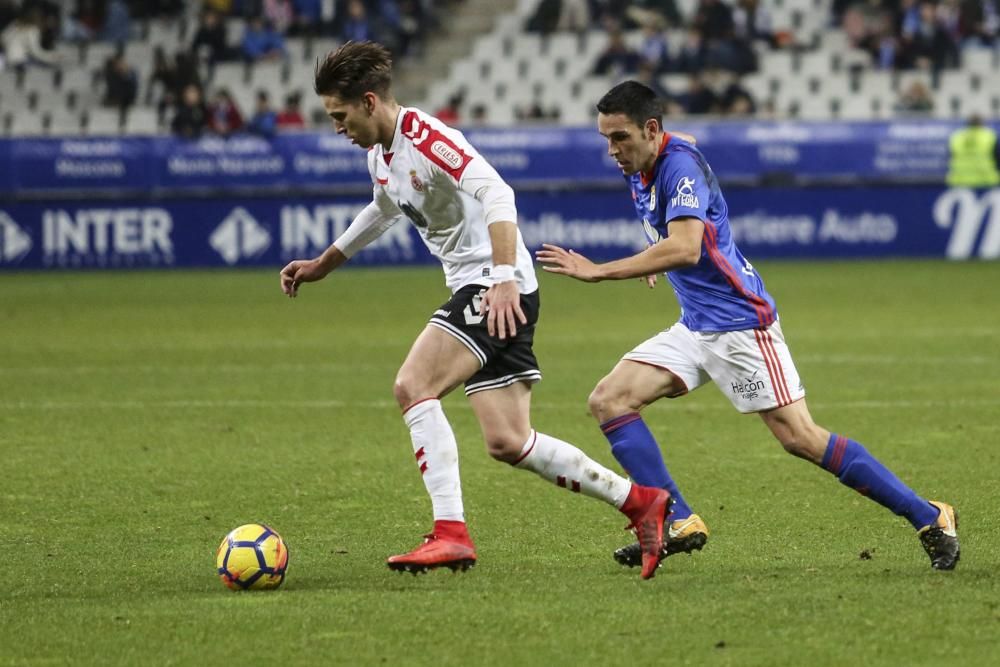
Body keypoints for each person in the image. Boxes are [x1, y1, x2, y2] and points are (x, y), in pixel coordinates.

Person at [279, 42, 670, 579]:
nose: (337, 128)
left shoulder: (428, 139)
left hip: (494, 285)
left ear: (369, 102)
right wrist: (325, 263)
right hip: (496, 288)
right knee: (509, 441)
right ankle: (641, 503)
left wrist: (505, 278)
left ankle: (450, 534)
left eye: (339, 116)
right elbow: (383, 207)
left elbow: (498, 193)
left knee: (412, 385)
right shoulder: (382, 155)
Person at [536, 80, 960, 571]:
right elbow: (677, 199)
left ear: (651, 130)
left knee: (800, 437)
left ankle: (929, 514)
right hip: (695, 324)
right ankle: (678, 518)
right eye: (606, 139)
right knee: (609, 399)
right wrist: (657, 253)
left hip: (740, 323)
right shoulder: (647, 158)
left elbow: (689, 246)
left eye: (620, 138)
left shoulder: (677, 166)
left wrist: (601, 269)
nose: (612, 150)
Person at [945, 114, 1000, 188]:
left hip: (960, 180)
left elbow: (951, 156)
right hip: (986, 179)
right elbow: (997, 158)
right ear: (981, 123)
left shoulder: (957, 136)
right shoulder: (989, 136)